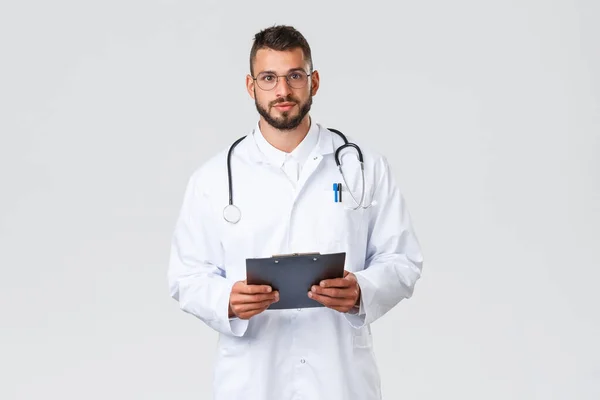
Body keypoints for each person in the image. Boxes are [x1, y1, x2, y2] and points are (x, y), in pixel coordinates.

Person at [167, 24, 424, 400]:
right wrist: (228, 300)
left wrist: (361, 292)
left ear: (314, 81)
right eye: (268, 78)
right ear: (250, 85)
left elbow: (403, 260)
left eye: (294, 76)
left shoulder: (363, 167)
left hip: (340, 380)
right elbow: (185, 276)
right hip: (251, 381)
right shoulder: (213, 178)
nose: (282, 91)